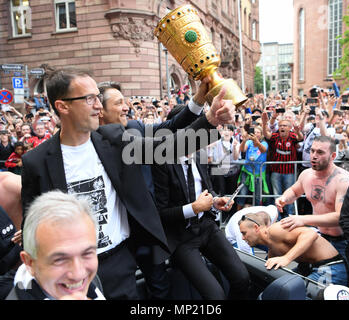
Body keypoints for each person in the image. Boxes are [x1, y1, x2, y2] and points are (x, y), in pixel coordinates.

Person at [20, 67, 235, 300]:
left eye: (98, 98)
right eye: (90, 98)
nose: (98, 106)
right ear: (63, 106)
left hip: (120, 262)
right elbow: (32, 223)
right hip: (70, 272)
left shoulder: (113, 139)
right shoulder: (36, 161)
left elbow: (168, 148)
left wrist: (210, 120)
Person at [97, 79, 209, 299]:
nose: (126, 107)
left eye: (125, 101)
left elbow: (171, 127)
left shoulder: (135, 128)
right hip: (110, 242)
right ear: (100, 110)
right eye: (119, 103)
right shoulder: (87, 145)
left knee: (159, 287)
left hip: (144, 230)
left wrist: (199, 101)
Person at [152, 105, 250, 300]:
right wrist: (193, 208)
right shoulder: (161, 162)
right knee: (215, 295)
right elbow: (160, 212)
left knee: (242, 278)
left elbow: (206, 190)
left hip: (206, 228)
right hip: (181, 238)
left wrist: (215, 200)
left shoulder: (199, 156)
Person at [6, 190, 105, 300]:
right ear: (30, 263)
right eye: (60, 260)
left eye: (87, 254)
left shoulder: (92, 282)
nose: (78, 274)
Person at [277, 136, 349, 261]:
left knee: (342, 278)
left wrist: (304, 220)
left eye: (320, 152)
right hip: (319, 235)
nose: (314, 156)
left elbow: (341, 217)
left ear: (333, 156)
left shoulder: (343, 180)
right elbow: (294, 191)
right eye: (312, 151)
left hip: (342, 241)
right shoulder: (306, 174)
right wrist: (284, 198)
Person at [239, 212, 349, 287]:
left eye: (244, 233)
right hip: (308, 267)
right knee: (280, 287)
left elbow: (311, 234)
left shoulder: (275, 230)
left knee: (297, 294)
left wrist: (287, 258)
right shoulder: (271, 247)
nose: (243, 238)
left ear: (256, 228)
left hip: (330, 267)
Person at [262, 116, 302, 218]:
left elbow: (300, 138)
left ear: (289, 128)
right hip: (276, 171)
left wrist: (298, 131)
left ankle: (290, 216)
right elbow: (267, 135)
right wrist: (264, 123)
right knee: (277, 195)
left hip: (289, 172)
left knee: (290, 195)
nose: (282, 127)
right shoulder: (275, 136)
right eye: (280, 125)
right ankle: (278, 217)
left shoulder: (293, 136)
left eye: (284, 125)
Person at [237, 125, 269, 210]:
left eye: (258, 132)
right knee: (242, 194)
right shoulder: (249, 142)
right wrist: (244, 140)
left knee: (258, 196)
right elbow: (242, 149)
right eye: (254, 132)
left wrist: (257, 142)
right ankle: (237, 213)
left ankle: (257, 214)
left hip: (258, 174)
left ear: (261, 134)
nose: (256, 134)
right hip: (247, 172)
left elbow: (263, 150)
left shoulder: (264, 143)